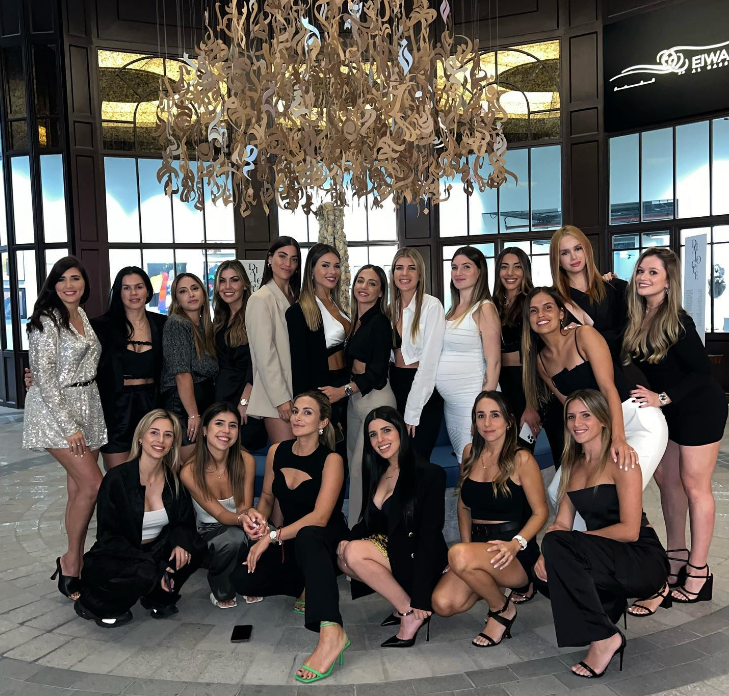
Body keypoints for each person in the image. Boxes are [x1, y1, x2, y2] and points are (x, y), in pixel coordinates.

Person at [534, 390, 669, 679]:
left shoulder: (622, 459)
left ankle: (604, 638)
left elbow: (630, 531)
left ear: (604, 420)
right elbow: (562, 524)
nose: (577, 423)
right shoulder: (573, 466)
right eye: (571, 417)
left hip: (641, 558)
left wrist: (570, 545)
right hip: (607, 554)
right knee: (544, 575)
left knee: (559, 550)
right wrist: (548, 554)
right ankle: (609, 607)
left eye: (586, 415)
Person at [623, 248, 727, 611]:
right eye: (640, 271)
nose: (643, 277)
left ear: (669, 282)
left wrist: (662, 398)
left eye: (653, 272)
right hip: (668, 412)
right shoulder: (638, 316)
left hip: (699, 408)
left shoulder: (678, 321)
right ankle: (676, 557)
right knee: (668, 484)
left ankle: (699, 572)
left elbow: (702, 373)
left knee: (695, 486)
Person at [522, 287, 668, 524]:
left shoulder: (584, 335)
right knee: (558, 491)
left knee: (610, 498)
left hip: (635, 419)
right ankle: (586, 547)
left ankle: (638, 544)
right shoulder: (541, 362)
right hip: (600, 431)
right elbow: (570, 408)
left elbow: (608, 389)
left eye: (548, 307)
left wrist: (618, 438)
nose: (541, 315)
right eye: (533, 311)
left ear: (561, 313)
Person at [232, 391, 348, 684]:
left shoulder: (332, 459)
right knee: (243, 579)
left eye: (307, 413)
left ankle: (332, 632)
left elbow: (320, 518)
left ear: (323, 422)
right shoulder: (277, 451)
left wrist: (271, 536)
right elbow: (267, 498)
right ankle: (305, 584)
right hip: (289, 539)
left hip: (324, 539)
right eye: (295, 411)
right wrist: (258, 521)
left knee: (309, 535)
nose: (297, 417)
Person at [431, 391, 547, 645]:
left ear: (509, 421)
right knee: (443, 603)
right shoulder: (469, 452)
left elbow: (541, 512)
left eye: (495, 415)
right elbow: (464, 506)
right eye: (480, 416)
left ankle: (501, 609)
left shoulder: (521, 458)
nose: (487, 423)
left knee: (458, 556)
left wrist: (516, 544)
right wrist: (466, 550)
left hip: (511, 551)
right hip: (478, 547)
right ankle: (490, 584)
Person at [23, 256, 107, 601]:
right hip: (57, 413)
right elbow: (44, 379)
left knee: (79, 491)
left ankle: (76, 558)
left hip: (88, 404)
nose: (69, 285)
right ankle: (72, 561)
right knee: (93, 484)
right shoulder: (46, 320)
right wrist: (69, 427)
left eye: (75, 278)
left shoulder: (81, 314)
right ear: (52, 285)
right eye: (62, 279)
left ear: (85, 283)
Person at [74, 409, 202, 627]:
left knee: (194, 548)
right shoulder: (116, 479)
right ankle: (93, 603)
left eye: (168, 435)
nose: (160, 440)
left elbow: (184, 522)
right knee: (146, 571)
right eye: (154, 432)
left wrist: (181, 543)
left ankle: (156, 597)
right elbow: (109, 536)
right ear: (141, 437)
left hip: (155, 549)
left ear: (173, 442)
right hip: (117, 554)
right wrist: (156, 566)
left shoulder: (174, 480)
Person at [338, 406, 447, 648]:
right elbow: (370, 521)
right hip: (396, 548)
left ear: (401, 431)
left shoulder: (428, 474)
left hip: (420, 555)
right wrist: (347, 539)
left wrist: (421, 596)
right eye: (373, 434)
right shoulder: (379, 470)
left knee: (354, 553)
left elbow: (429, 536)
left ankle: (409, 612)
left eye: (386, 430)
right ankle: (402, 603)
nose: (380, 440)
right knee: (344, 557)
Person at [546, 226, 629, 462]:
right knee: (573, 472)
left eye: (578, 248)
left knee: (617, 467)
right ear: (557, 260)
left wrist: (585, 336)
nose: (573, 257)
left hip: (616, 391)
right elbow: (548, 351)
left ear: (587, 250)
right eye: (564, 253)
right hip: (574, 398)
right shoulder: (552, 300)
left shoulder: (616, 289)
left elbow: (629, 338)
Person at [326, 265, 396, 526]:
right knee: (353, 466)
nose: (364, 287)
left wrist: (341, 392)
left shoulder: (380, 323)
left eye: (372, 283)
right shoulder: (355, 320)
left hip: (375, 399)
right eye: (360, 281)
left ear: (381, 292)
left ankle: (357, 530)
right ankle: (357, 525)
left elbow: (376, 374)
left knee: (360, 471)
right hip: (355, 399)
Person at [180, 402, 257, 608]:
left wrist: (252, 521)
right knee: (233, 538)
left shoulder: (246, 460)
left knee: (267, 534)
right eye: (219, 423)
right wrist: (244, 519)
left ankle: (248, 583)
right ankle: (221, 589)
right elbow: (221, 516)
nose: (226, 431)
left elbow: (244, 507)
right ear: (205, 430)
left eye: (233, 425)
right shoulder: (190, 471)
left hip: (239, 522)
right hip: (208, 532)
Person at [93, 268, 167, 469]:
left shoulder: (163, 324)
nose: (133, 293)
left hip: (152, 405)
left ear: (147, 291)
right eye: (126, 288)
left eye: (138, 287)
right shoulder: (100, 326)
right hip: (115, 407)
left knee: (151, 472)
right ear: (119, 292)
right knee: (118, 474)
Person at [435, 246, 501, 463]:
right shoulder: (451, 310)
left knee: (481, 465)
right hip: (452, 407)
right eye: (454, 267)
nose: (458, 272)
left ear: (480, 271)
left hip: (473, 402)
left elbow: (494, 363)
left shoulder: (484, 308)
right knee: (465, 463)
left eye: (466, 267)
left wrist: (482, 411)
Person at [286, 243, 350, 442]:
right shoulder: (298, 312)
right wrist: (309, 406)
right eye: (325, 265)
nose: (332, 271)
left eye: (336, 266)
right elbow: (299, 366)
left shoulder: (338, 304)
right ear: (311, 270)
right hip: (322, 390)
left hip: (345, 387)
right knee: (325, 447)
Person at [388, 247, 445, 459]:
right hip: (395, 386)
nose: (404, 273)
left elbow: (430, 362)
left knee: (418, 458)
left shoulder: (432, 306)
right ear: (393, 274)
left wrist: (413, 411)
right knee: (398, 458)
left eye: (411, 268)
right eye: (399, 268)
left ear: (420, 274)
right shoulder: (389, 308)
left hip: (423, 389)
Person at [246, 236, 301, 444]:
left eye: (294, 259)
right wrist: (281, 399)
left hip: (298, 390)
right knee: (286, 455)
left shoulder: (295, 297)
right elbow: (264, 355)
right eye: (282, 256)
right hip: (277, 397)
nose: (287, 264)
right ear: (269, 259)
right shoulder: (260, 299)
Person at [161, 273, 218, 463]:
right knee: (190, 466)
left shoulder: (204, 326)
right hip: (183, 404)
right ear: (177, 299)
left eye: (194, 288)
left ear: (203, 292)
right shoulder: (177, 324)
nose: (191, 294)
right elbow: (182, 375)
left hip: (202, 401)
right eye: (183, 291)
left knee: (202, 465)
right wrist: (193, 414)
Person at [212, 260, 266, 450]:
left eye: (234, 280)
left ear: (244, 284)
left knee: (245, 451)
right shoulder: (220, 319)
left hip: (246, 396)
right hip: (222, 396)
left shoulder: (254, 313)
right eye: (222, 281)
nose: (227, 286)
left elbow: (259, 360)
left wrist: (245, 399)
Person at [493, 247, 540, 451]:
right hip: (498, 382)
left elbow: (536, 356)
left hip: (524, 384)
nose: (510, 273)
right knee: (500, 448)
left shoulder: (532, 302)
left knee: (522, 450)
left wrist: (531, 404)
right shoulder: (493, 304)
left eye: (517, 267)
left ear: (525, 271)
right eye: (504, 267)